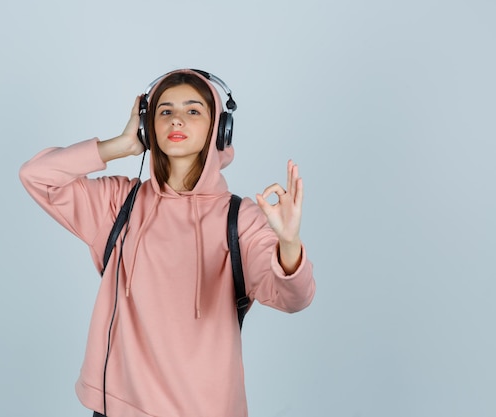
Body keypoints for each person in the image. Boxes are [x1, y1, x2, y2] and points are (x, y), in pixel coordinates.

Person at [19, 69, 315, 417]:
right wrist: (121, 145)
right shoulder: (119, 203)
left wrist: (289, 243)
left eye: (193, 111)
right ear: (148, 127)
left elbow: (294, 298)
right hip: (120, 407)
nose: (177, 120)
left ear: (220, 129)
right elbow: (36, 176)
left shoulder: (240, 219)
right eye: (165, 111)